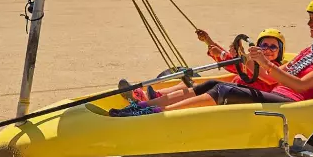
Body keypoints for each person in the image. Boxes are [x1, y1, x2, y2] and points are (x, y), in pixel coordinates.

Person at [110, 0, 313, 116]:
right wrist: (256, 62)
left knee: (225, 91)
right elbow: (281, 72)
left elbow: (300, 84)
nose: (309, 24)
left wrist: (264, 63)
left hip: (293, 103)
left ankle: (155, 116)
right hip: (278, 93)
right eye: (310, 19)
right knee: (213, 84)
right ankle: (142, 106)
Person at [122, 28, 285, 103]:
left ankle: (153, 99)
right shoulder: (253, 62)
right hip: (235, 88)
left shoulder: (276, 68)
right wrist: (208, 41)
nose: (268, 50)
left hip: (243, 96)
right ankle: (152, 95)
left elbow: (267, 77)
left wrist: (241, 58)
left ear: (280, 51)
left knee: (204, 87)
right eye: (264, 46)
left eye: (273, 47)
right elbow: (231, 63)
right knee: (190, 83)